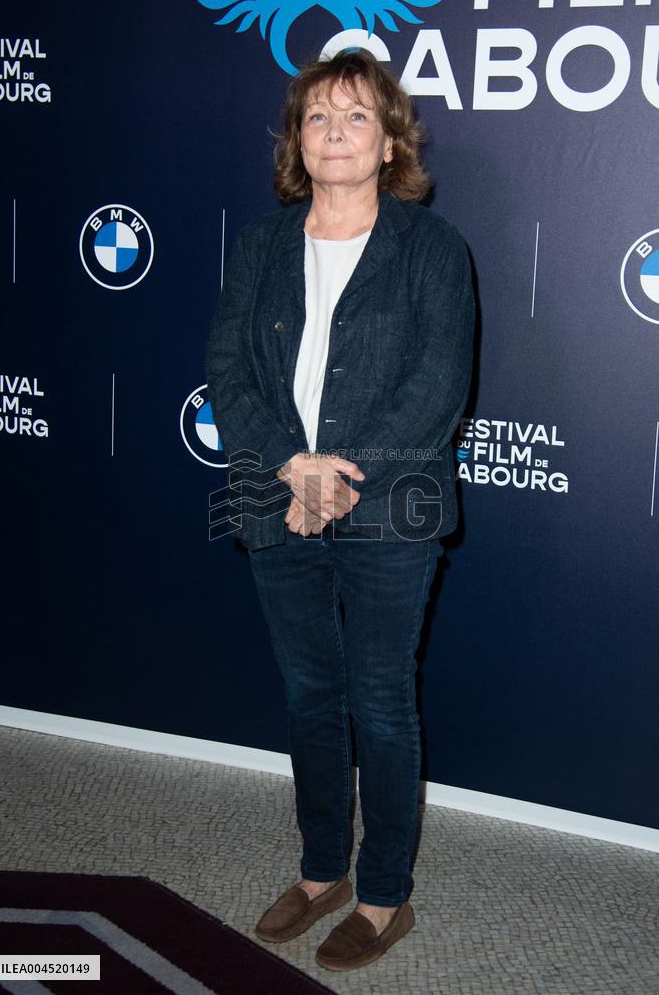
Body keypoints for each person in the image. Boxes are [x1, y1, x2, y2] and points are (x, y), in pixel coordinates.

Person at [205, 48, 475, 972]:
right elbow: (227, 371)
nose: (335, 133)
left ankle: (386, 892)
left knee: (381, 703)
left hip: (390, 503)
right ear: (296, 141)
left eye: (357, 116)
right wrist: (290, 467)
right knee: (310, 695)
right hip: (270, 495)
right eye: (318, 117)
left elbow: (437, 387)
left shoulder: (432, 249)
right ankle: (323, 870)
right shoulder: (262, 243)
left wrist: (334, 477)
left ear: (391, 140)